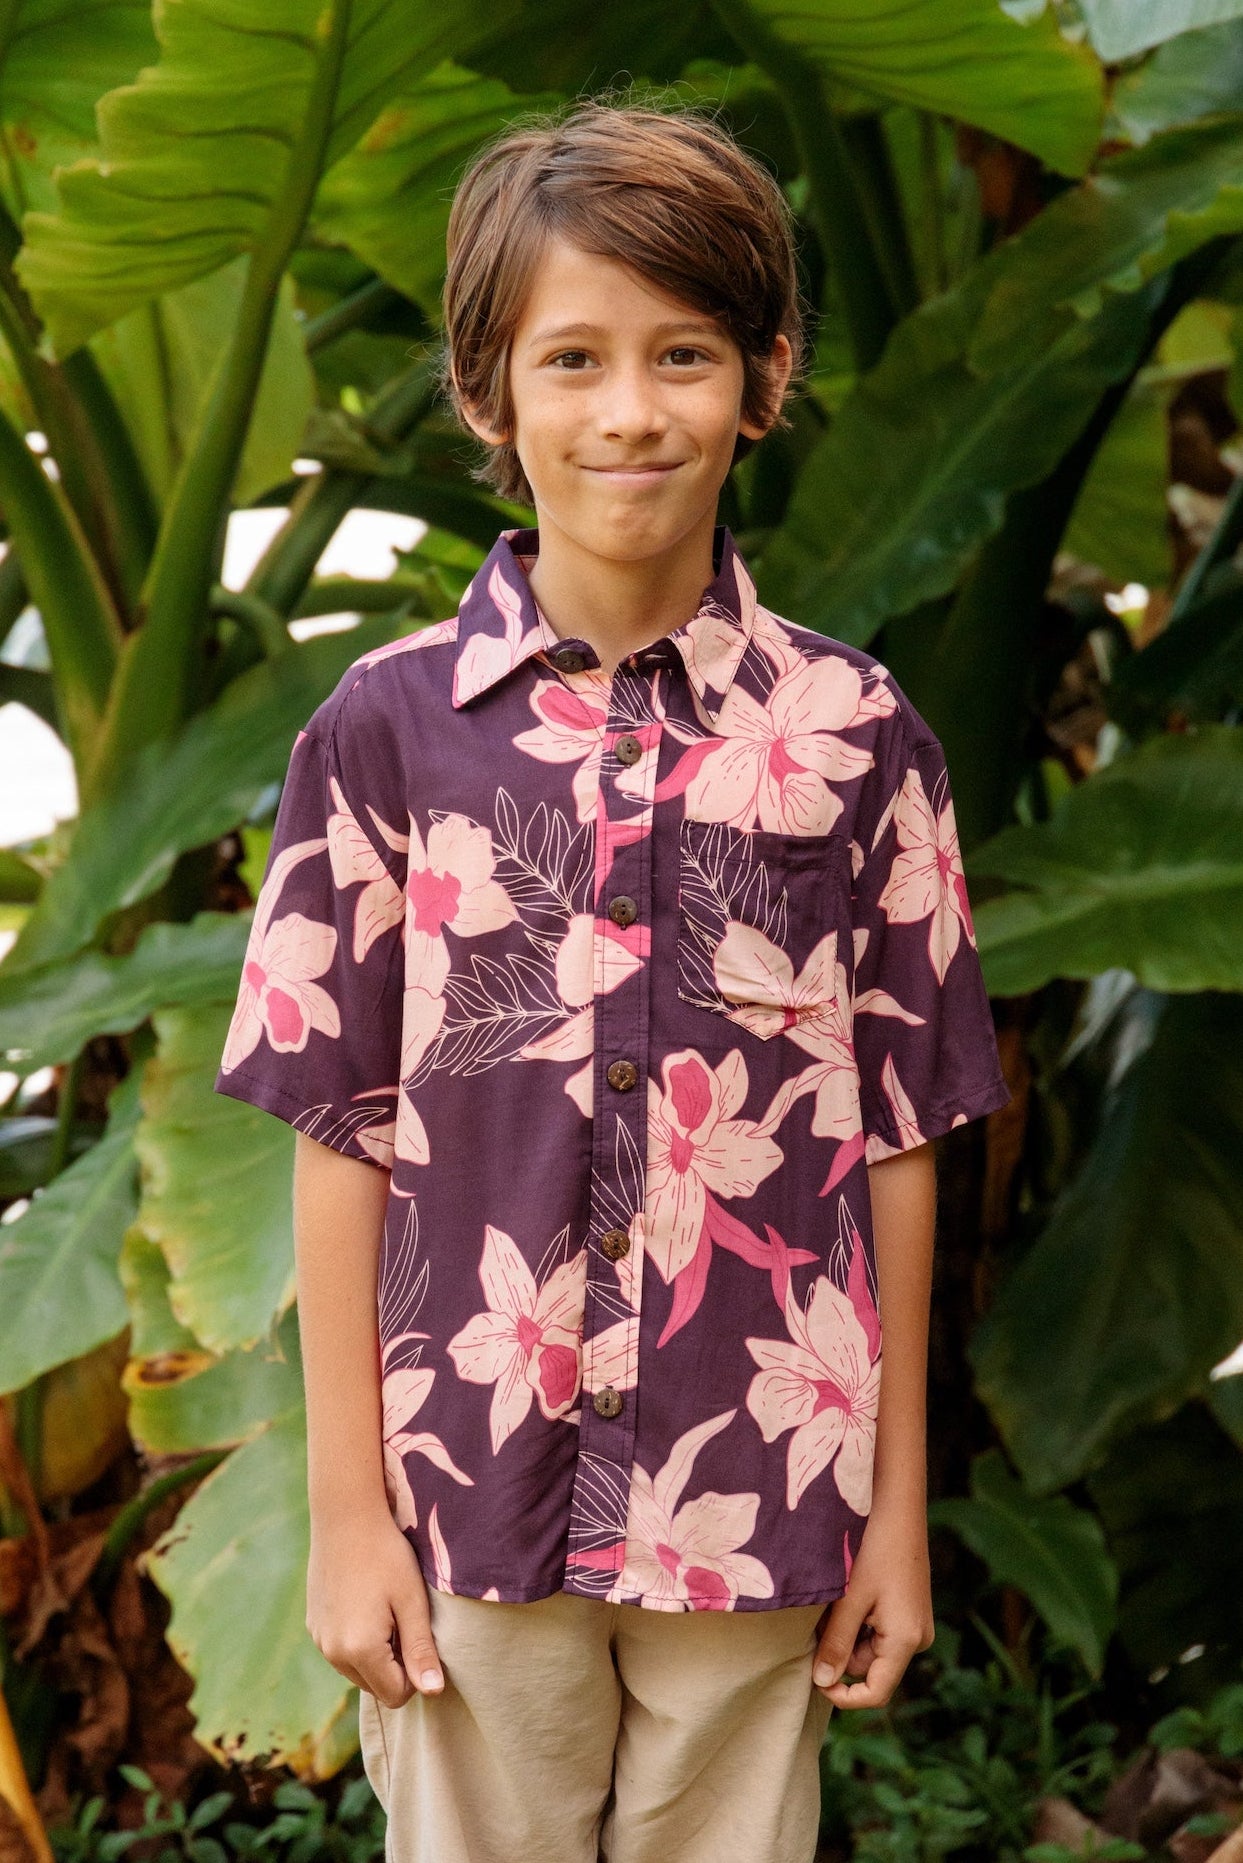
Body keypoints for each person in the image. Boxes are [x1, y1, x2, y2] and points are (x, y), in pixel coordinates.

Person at [214, 96, 1012, 1863]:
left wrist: (894, 1511)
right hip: (465, 1499)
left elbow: (897, 1137)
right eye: (572, 358)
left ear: (768, 377)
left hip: (761, 1496)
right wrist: (348, 1515)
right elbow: (339, 1129)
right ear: (488, 392)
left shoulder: (860, 735)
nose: (631, 410)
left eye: (686, 354)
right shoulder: (385, 734)